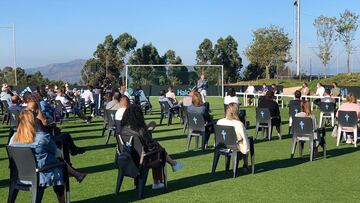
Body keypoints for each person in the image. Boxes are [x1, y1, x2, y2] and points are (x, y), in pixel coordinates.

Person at [9, 110, 86, 203]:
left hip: (19, 176)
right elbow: (57, 153)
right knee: (60, 165)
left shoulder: (13, 138)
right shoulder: (42, 137)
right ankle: (64, 199)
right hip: (40, 175)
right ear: (33, 121)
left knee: (59, 164)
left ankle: (76, 174)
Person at [120, 104, 183, 189]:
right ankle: (158, 180)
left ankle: (173, 164)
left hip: (127, 157)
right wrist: (148, 132)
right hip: (142, 159)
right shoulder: (141, 129)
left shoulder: (123, 129)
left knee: (157, 148)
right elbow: (150, 145)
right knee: (159, 150)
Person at [217, 103, 250, 170]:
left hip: (222, 146)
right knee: (246, 141)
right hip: (234, 146)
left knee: (243, 141)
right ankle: (245, 164)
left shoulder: (219, 122)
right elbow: (244, 136)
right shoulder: (239, 124)